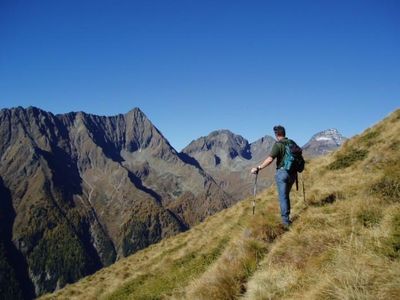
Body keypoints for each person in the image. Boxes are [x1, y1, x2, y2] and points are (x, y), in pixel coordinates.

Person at [251, 125, 296, 228]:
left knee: (283, 197)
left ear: (277, 134)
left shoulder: (278, 145)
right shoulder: (292, 143)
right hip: (293, 174)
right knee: (286, 196)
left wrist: (258, 168)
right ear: (284, 133)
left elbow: (270, 159)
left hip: (283, 173)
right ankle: (287, 217)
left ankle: (285, 223)